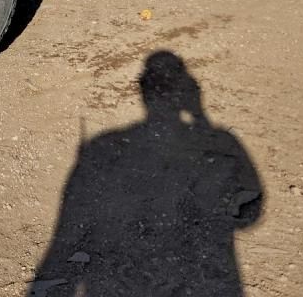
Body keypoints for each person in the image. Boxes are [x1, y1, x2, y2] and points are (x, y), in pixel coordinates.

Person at [31, 51, 263, 296]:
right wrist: (200, 117)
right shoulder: (221, 141)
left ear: (143, 91)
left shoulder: (103, 146)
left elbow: (67, 232)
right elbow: (249, 217)